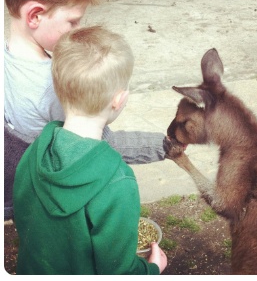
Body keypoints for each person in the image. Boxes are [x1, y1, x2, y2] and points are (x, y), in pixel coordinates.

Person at [4, 0, 167, 220]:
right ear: (35, 15)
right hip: (48, 195)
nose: (77, 30)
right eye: (73, 21)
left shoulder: (7, 56)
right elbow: (97, 145)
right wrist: (162, 145)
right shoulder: (53, 86)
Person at [13, 26, 167, 274]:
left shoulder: (33, 154)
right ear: (119, 100)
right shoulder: (118, 182)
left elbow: (24, 220)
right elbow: (118, 272)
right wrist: (151, 269)